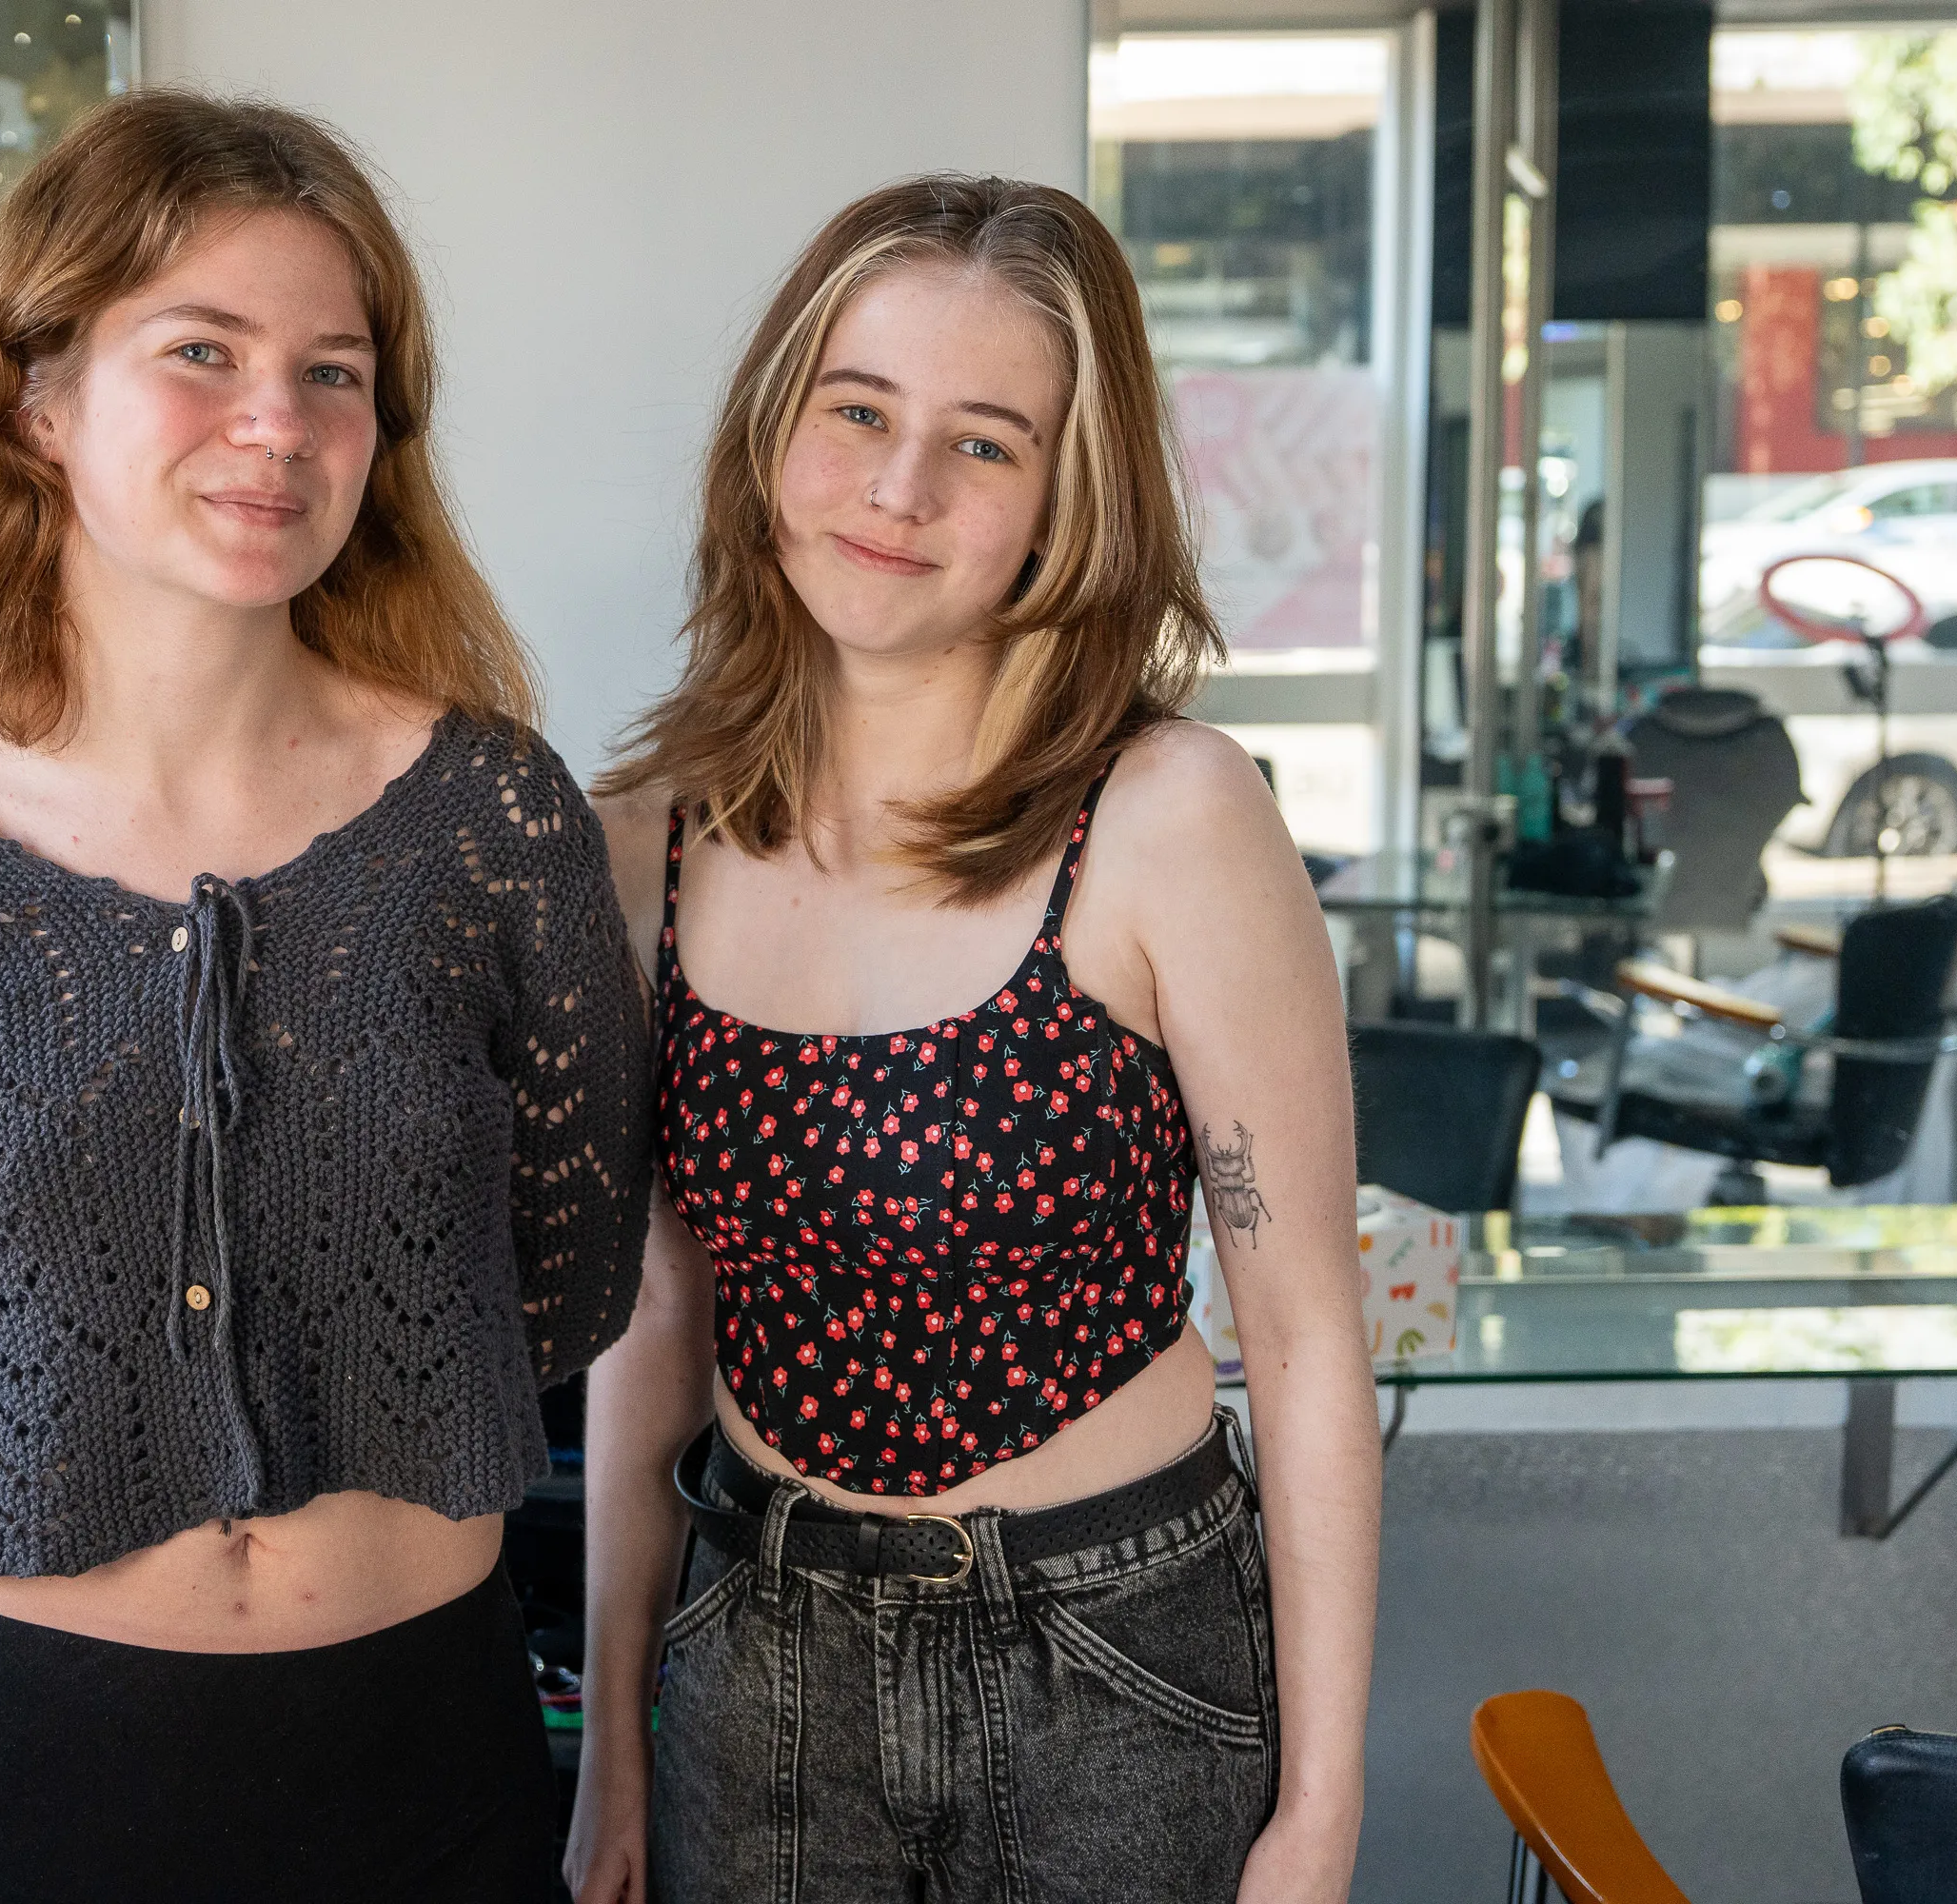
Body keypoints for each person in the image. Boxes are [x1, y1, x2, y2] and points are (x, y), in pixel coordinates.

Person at [0, 90, 653, 1904]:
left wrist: (374, 1415)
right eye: (200, 351)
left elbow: (570, 1269)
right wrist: (57, 1478)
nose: (275, 425)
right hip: (35, 1767)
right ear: (36, 395)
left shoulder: (491, 819)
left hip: (425, 1749)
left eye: (334, 372)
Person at [567, 175, 1380, 1904]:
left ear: (1066, 501)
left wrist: (1320, 1816)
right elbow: (653, 1311)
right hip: (758, 1648)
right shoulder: (643, 839)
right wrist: (617, 1749)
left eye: (986, 442)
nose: (900, 487)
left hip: (1119, 1663)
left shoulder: (1171, 816)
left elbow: (1308, 1343)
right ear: (773, 432)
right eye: (856, 410)